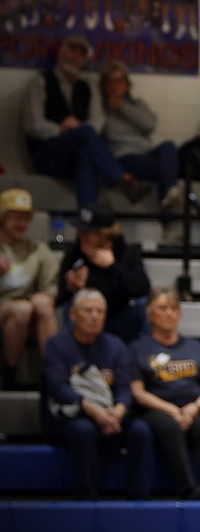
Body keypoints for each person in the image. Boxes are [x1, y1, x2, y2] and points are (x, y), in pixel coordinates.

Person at [43, 288, 154, 500]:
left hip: (110, 412)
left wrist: (119, 410)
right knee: (84, 430)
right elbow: (58, 388)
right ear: (73, 314)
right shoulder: (56, 345)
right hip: (74, 412)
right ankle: (88, 499)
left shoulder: (115, 345)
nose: (95, 316)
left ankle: (139, 500)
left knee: (141, 430)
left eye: (100, 312)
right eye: (89, 311)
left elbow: (124, 385)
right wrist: (93, 410)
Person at [21, 35, 148, 209]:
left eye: (81, 54)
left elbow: (98, 121)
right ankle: (122, 178)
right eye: (72, 51)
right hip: (48, 154)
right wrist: (61, 128)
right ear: (61, 52)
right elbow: (32, 125)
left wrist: (78, 130)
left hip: (75, 155)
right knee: (85, 133)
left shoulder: (89, 86)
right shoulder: (40, 81)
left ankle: (88, 220)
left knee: (85, 152)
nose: (76, 57)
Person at [130, 287, 200, 499]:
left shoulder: (194, 346)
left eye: (174, 308)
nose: (169, 313)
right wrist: (170, 409)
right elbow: (138, 391)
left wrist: (195, 407)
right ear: (150, 313)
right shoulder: (138, 348)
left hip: (191, 406)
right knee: (169, 426)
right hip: (156, 408)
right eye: (162, 308)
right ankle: (187, 489)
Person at [98, 59, 183, 215]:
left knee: (169, 146)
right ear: (104, 86)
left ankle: (170, 192)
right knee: (164, 169)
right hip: (125, 156)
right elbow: (99, 131)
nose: (115, 85)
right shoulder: (101, 109)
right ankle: (170, 201)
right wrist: (111, 106)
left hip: (147, 151)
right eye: (110, 82)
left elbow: (150, 124)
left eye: (119, 81)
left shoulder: (137, 104)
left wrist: (122, 106)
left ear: (127, 84)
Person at [56, 205, 150, 344]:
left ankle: (149, 357)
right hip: (88, 316)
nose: (82, 236)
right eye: (80, 231)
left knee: (143, 305)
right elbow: (59, 298)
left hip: (118, 315)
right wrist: (71, 288)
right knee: (73, 307)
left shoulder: (126, 252)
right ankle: (76, 359)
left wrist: (112, 267)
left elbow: (142, 288)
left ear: (104, 234)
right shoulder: (74, 253)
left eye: (87, 232)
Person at [0, 188, 58, 387]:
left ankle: (55, 376)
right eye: (17, 218)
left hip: (26, 312)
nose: (22, 224)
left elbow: (52, 286)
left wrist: (42, 297)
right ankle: (9, 373)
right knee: (22, 309)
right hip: (5, 306)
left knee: (43, 304)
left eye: (26, 218)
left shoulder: (37, 249)